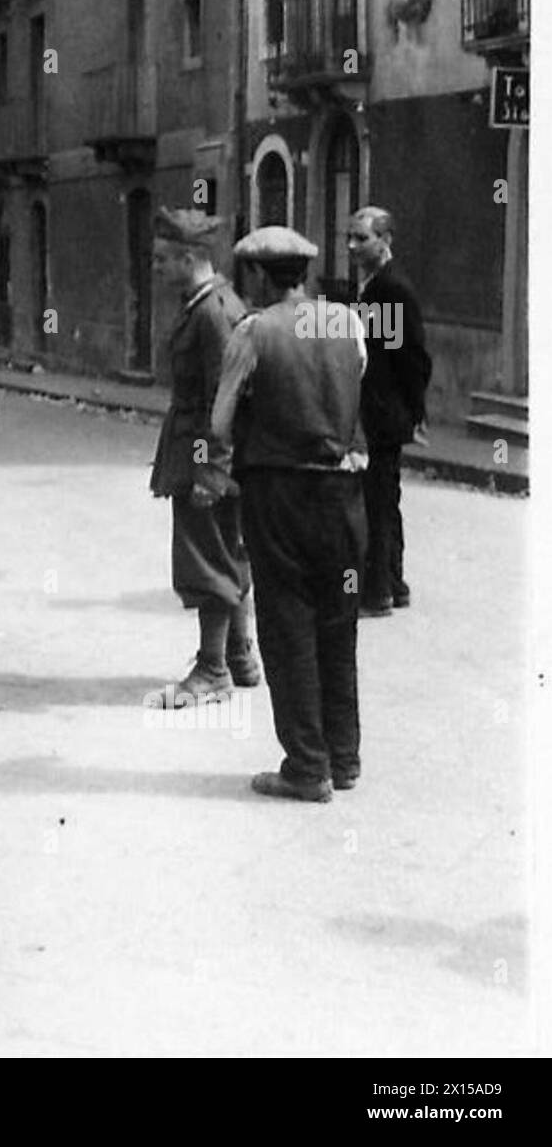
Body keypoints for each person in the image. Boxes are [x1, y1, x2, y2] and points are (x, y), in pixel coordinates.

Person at [205, 226, 368, 803]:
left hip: (279, 496)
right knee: (337, 623)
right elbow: (353, 391)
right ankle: (344, 758)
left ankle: (306, 766)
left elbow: (220, 422)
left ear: (256, 275)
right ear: (304, 273)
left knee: (288, 626)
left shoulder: (253, 331)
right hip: (345, 497)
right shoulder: (346, 322)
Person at [149, 207, 261, 704]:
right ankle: (240, 656)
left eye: (162, 259)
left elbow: (224, 396)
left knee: (205, 555)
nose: (155, 268)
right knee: (227, 550)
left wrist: (210, 471)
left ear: (190, 257)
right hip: (202, 446)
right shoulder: (207, 303)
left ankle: (212, 670)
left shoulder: (214, 312)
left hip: (206, 449)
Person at [346, 206, 432, 617]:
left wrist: (415, 412)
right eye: (351, 237)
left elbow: (412, 357)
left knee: (375, 503)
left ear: (385, 240)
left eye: (361, 238)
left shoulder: (392, 289)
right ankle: (394, 583)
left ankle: (376, 591)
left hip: (384, 413)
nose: (351, 246)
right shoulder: (376, 285)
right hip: (382, 410)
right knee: (385, 499)